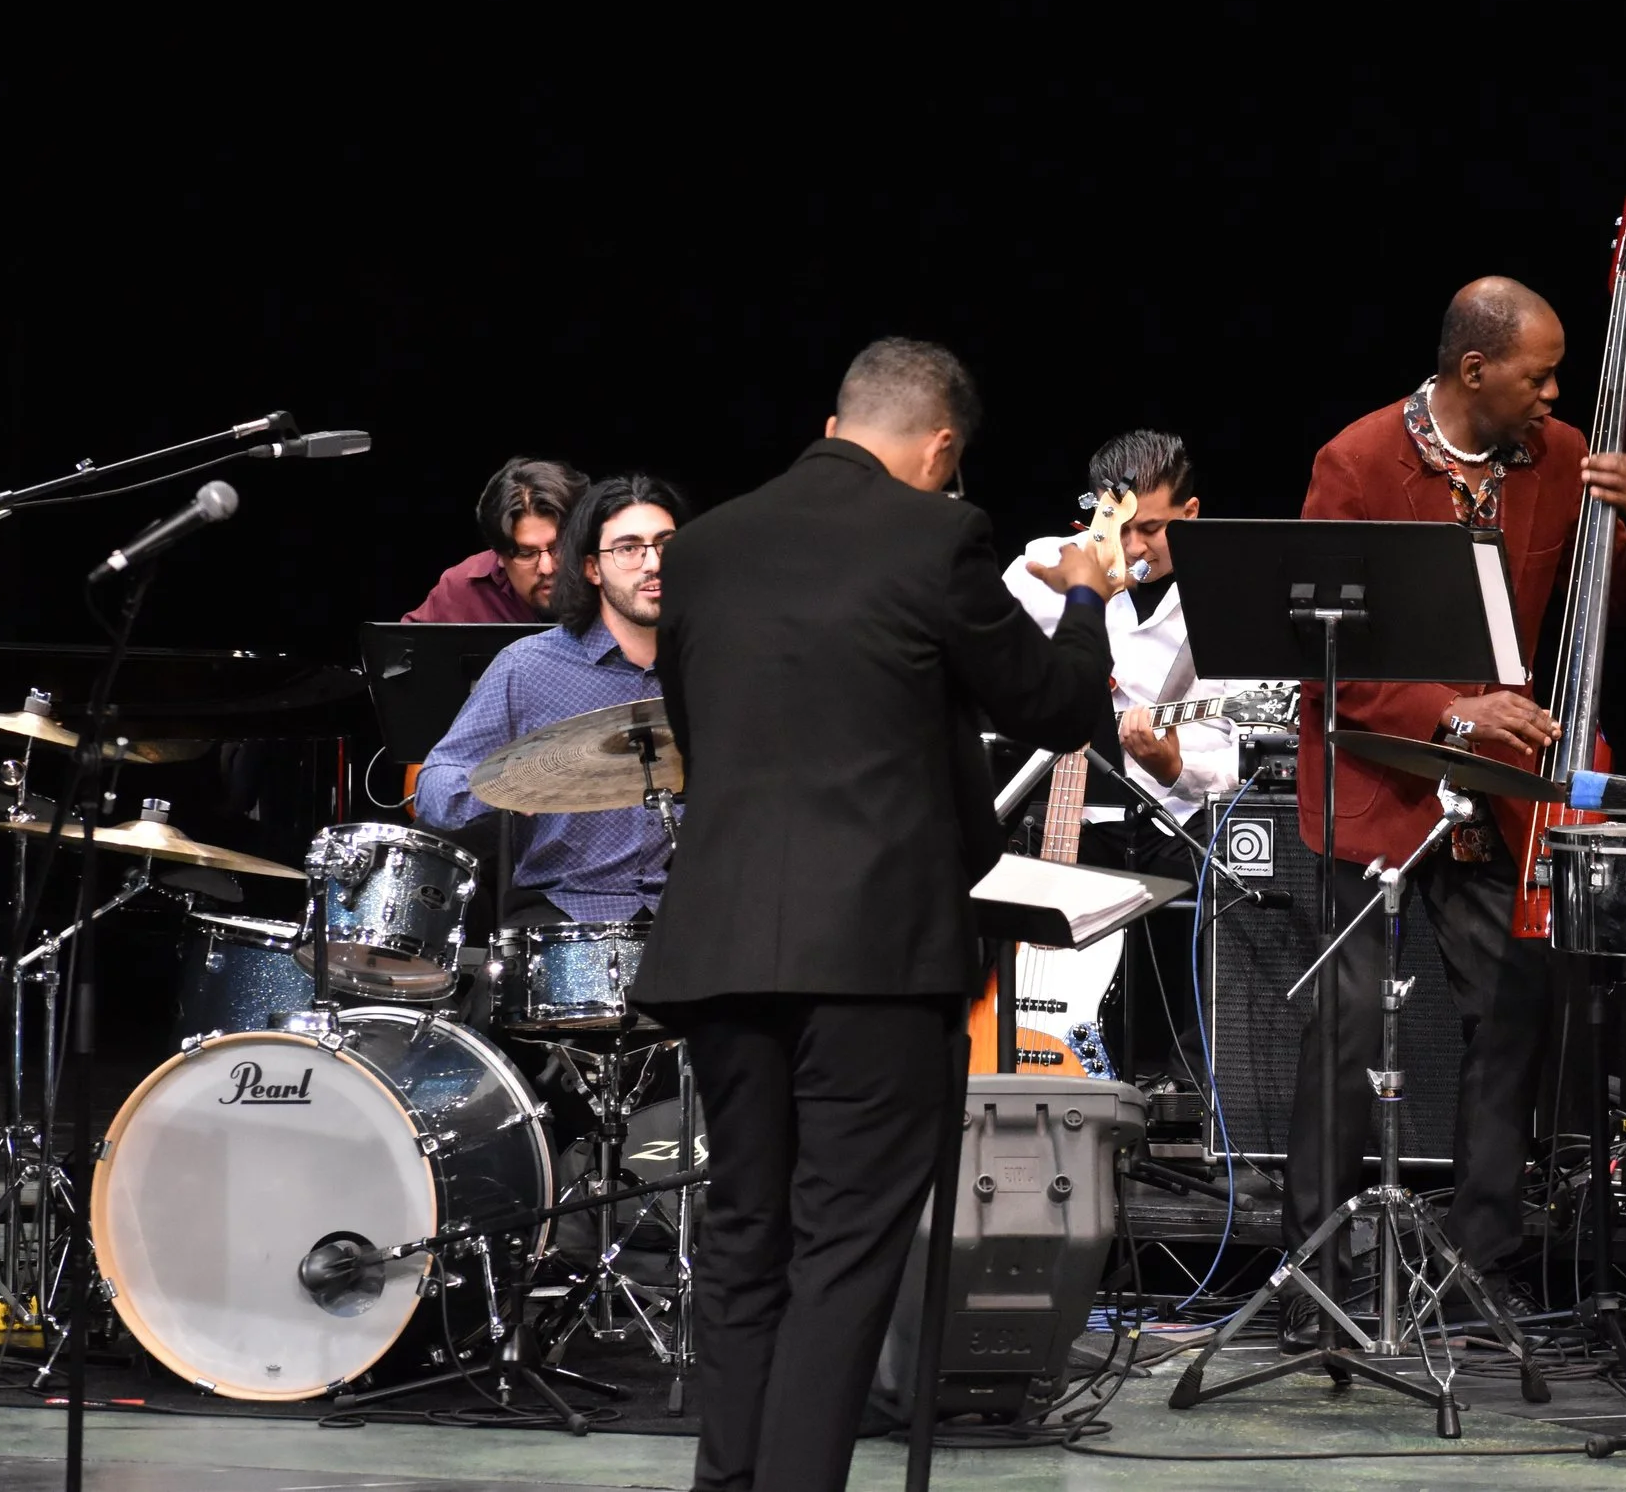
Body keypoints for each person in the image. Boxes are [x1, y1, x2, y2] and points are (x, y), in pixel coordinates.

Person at [628, 338, 1119, 1492]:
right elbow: (1057, 710)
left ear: (838, 418)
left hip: (724, 943)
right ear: (941, 448)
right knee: (844, 1250)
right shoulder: (939, 534)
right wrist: (1090, 592)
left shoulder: (704, 546)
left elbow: (710, 729)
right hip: (875, 954)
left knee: (747, 1233)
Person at [1282, 275, 1626, 1347]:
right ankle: (1315, 1274)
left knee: (1512, 1019)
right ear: (1474, 370)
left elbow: (1613, 611)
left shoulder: (1556, 459)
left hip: (1503, 797)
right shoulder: (1358, 459)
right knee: (1345, 1023)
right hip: (1381, 780)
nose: (1557, 392)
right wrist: (1456, 713)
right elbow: (1331, 665)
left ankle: (1475, 1264)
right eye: (1539, 373)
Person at [415, 472, 688, 922]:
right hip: (567, 908)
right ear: (591, 568)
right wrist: (506, 786)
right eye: (628, 549)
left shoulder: (717, 663)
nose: (653, 563)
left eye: (666, 543)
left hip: (692, 913)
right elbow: (434, 788)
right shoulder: (528, 667)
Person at [1002, 429, 1240, 822]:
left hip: (1181, 819)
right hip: (1055, 813)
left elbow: (1255, 754)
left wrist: (1177, 771)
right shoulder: (1041, 569)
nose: (1133, 548)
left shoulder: (1237, 595)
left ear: (1191, 512)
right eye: (1118, 529)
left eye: (1150, 529)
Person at [402, 456, 589, 622]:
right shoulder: (462, 590)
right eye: (525, 554)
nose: (547, 567)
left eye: (559, 547)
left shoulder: (613, 575)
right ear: (498, 554)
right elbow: (401, 656)